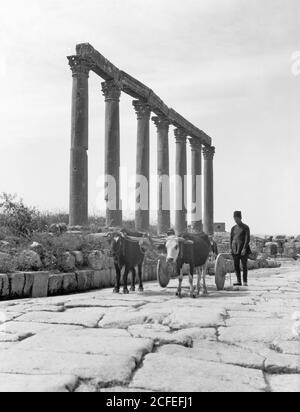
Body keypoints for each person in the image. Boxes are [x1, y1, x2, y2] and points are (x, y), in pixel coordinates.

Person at [230, 211, 251, 287]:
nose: (235, 220)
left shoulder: (246, 227)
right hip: (235, 249)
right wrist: (231, 249)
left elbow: (247, 238)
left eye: (236, 218)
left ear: (240, 218)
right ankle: (238, 281)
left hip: (243, 249)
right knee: (236, 266)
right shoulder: (233, 228)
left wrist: (244, 248)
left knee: (244, 265)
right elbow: (231, 239)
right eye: (234, 218)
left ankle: (245, 281)